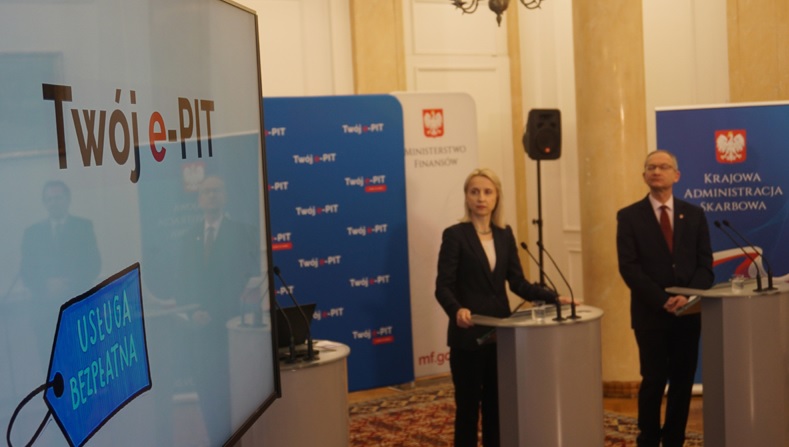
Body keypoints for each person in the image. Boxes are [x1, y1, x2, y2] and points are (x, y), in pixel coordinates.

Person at [435, 168, 567, 447]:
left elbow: (517, 282)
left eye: (487, 192)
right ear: (466, 197)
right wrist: (456, 310)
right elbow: (443, 286)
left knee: (496, 406)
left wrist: (553, 298)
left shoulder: (504, 235)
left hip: (501, 335)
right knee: (468, 408)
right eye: (474, 192)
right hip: (468, 334)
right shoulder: (455, 235)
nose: (481, 198)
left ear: (496, 197)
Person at [616, 150, 714, 447]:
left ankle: (674, 439)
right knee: (654, 379)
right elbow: (629, 268)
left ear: (676, 175)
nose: (656, 171)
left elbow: (705, 266)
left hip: (687, 313)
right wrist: (662, 299)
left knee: (682, 382)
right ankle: (647, 438)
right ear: (644, 176)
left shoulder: (694, 214)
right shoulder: (629, 216)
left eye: (663, 166)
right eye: (651, 167)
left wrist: (686, 296)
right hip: (650, 314)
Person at [177, 175, 260, 445]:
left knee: (232, 393)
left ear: (225, 196)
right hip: (199, 332)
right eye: (206, 192)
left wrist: (213, 312)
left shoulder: (243, 233)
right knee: (208, 393)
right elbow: (184, 282)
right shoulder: (188, 238)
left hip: (230, 327)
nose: (212, 196)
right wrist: (193, 313)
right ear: (199, 200)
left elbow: (241, 280)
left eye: (217, 191)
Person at [20, 180, 101, 367]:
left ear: (67, 200)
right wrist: (47, 285)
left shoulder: (83, 227)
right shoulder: (32, 233)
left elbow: (94, 264)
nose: (53, 203)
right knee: (51, 365)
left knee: (82, 362)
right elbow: (27, 271)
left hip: (77, 307)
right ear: (44, 203)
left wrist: (69, 283)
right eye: (49, 199)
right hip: (44, 313)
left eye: (58, 198)